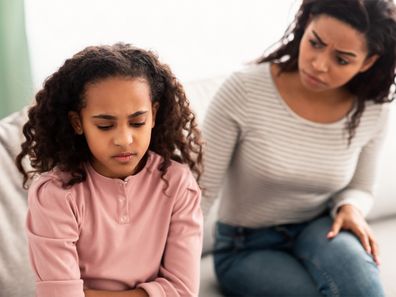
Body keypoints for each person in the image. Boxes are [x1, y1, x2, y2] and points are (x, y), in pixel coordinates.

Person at [200, 0, 396, 296]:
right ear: (305, 26)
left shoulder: (372, 109)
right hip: (243, 246)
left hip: (320, 227)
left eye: (341, 59)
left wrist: (351, 207)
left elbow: (361, 187)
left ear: (367, 62)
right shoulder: (244, 90)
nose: (319, 64)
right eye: (315, 43)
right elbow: (199, 192)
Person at [16, 43, 203, 297]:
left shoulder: (177, 184)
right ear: (77, 123)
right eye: (105, 125)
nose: (124, 139)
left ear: (154, 115)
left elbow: (183, 291)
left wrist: (90, 293)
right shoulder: (55, 195)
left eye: (137, 122)